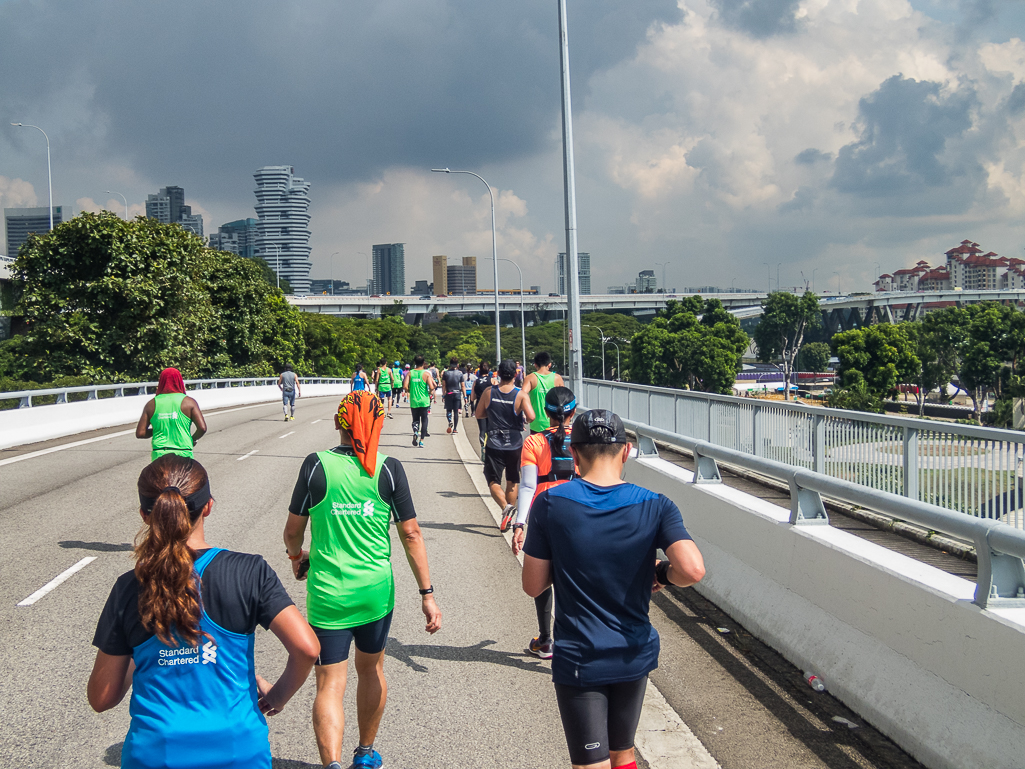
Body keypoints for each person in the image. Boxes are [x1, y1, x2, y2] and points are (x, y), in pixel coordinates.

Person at [89, 456, 320, 769]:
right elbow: (307, 648)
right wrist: (276, 696)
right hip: (238, 753)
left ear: (146, 515)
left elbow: (102, 697)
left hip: (157, 755)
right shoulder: (249, 572)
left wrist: (141, 654)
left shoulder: (129, 587)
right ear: (208, 506)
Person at [521, 410, 706, 769]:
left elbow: (533, 585)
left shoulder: (551, 503)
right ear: (626, 451)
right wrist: (663, 576)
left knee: (591, 762)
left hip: (582, 657)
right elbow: (693, 569)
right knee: (622, 752)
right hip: (634, 651)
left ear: (573, 454)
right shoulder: (656, 504)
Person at [283, 392, 442, 769]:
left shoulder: (315, 466)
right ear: (378, 425)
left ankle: (332, 765)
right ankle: (365, 753)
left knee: (329, 684)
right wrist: (427, 594)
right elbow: (412, 534)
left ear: (339, 423)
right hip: (375, 593)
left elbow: (292, 531)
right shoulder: (388, 469)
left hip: (328, 595)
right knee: (371, 669)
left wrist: (296, 558)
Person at [512, 386, 578, 660]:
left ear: (545, 413)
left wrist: (519, 523)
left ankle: (546, 640)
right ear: (574, 411)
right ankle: (573, 640)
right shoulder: (585, 439)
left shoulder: (534, 442)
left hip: (545, 515)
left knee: (542, 579)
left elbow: (527, 486)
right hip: (579, 514)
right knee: (574, 578)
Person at [474, 359, 535, 531]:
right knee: (513, 480)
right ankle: (509, 514)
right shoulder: (520, 394)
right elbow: (531, 417)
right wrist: (521, 416)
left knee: (493, 480)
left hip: (494, 442)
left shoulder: (489, 392)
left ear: (498, 374)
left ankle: (505, 508)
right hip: (514, 443)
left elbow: (479, 414)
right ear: (516, 375)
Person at [135, 367, 207, 461]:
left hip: (159, 454)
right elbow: (202, 428)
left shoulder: (151, 404)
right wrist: (192, 439)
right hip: (184, 452)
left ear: (161, 382)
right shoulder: (189, 402)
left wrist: (159, 429)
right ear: (180, 381)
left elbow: (140, 433)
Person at [521, 351, 565, 435]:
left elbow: (521, 396)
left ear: (535, 364)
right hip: (555, 422)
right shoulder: (557, 378)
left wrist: (523, 414)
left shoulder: (530, 378)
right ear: (549, 364)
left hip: (536, 423)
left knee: (537, 447)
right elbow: (564, 398)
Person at [403, 355, 436, 448]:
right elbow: (432, 386)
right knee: (424, 419)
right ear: (423, 363)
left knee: (415, 419)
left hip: (414, 400)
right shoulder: (426, 374)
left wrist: (409, 390)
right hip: (424, 400)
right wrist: (429, 392)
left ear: (415, 362)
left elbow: (405, 386)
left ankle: (415, 431)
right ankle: (421, 440)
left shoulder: (410, 373)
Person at [472, 362, 492, 459]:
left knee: (482, 429)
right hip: (491, 407)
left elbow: (472, 397)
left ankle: (482, 447)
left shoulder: (476, 381)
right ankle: (490, 449)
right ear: (489, 370)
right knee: (491, 429)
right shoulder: (493, 381)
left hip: (479, 406)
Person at [442, 357, 465, 434]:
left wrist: (443, 395)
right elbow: (462, 386)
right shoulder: (460, 373)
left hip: (449, 393)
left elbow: (444, 385)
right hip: (457, 393)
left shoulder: (446, 373)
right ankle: (455, 428)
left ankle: (450, 420)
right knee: (456, 411)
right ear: (457, 364)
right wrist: (465, 396)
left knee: (448, 410)